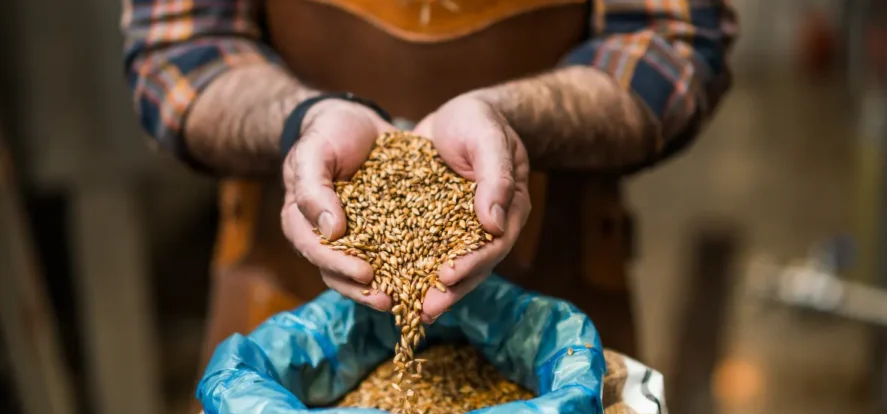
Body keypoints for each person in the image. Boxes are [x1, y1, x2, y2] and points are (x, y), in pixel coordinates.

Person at [122, 0, 737, 369]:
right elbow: (180, 51)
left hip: (556, 280)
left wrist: (515, 119)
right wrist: (300, 122)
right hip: (281, 285)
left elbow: (672, 44)